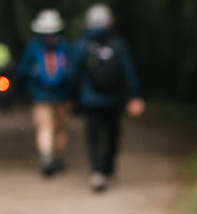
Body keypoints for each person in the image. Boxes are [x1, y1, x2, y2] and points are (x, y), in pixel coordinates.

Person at [69, 3, 144, 192]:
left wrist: (72, 97)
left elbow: (74, 73)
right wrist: (134, 96)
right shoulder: (118, 44)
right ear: (109, 23)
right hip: (113, 100)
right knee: (112, 135)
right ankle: (108, 170)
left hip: (90, 100)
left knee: (93, 137)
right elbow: (128, 71)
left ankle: (97, 172)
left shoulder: (83, 45)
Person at [15, 9, 74, 177]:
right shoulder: (65, 46)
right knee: (61, 129)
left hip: (41, 96)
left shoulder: (34, 47)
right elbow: (74, 72)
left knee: (45, 128)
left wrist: (27, 91)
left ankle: (47, 157)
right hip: (62, 96)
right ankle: (58, 158)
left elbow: (22, 71)